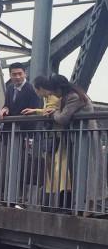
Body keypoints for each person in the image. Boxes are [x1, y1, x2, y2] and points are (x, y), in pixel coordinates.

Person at [29, 74, 101, 213]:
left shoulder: (73, 97)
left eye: (55, 91)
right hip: (80, 137)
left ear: (59, 88)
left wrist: (53, 112)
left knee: (86, 171)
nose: (55, 94)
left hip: (84, 137)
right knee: (81, 172)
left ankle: (87, 208)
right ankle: (85, 208)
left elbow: (62, 118)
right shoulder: (72, 95)